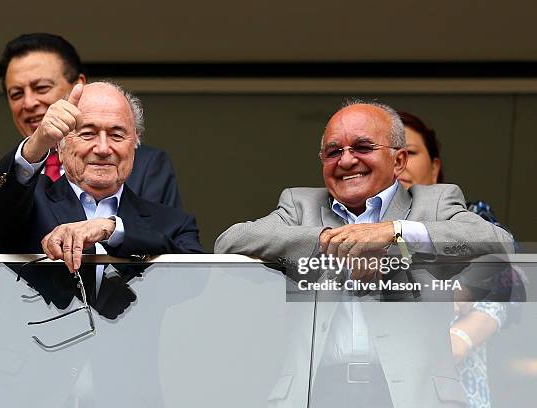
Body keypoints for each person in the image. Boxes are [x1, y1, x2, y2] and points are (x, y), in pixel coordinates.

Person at [215, 101, 513, 408]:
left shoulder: (434, 202)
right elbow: (230, 242)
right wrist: (332, 241)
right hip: (316, 393)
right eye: (333, 152)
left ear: (398, 161)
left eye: (362, 147)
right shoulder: (300, 205)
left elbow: (498, 244)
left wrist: (395, 234)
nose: (346, 161)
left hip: (411, 395)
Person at [0, 33, 182, 254]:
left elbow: (161, 241)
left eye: (41, 88)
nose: (29, 102)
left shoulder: (145, 165)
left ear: (78, 87)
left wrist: (108, 228)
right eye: (16, 94)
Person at [0, 81, 202, 274]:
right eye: (87, 133)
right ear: (60, 143)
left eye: (116, 135)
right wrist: (37, 143)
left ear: (135, 142)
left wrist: (113, 230)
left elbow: (194, 279)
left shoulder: (173, 224)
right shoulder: (30, 207)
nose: (103, 148)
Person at [398, 111, 520, 408]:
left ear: (435, 167)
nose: (399, 164)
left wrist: (463, 334)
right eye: (388, 155)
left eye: (410, 153)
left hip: (454, 392)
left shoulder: (470, 219)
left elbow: (509, 274)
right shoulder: (350, 230)